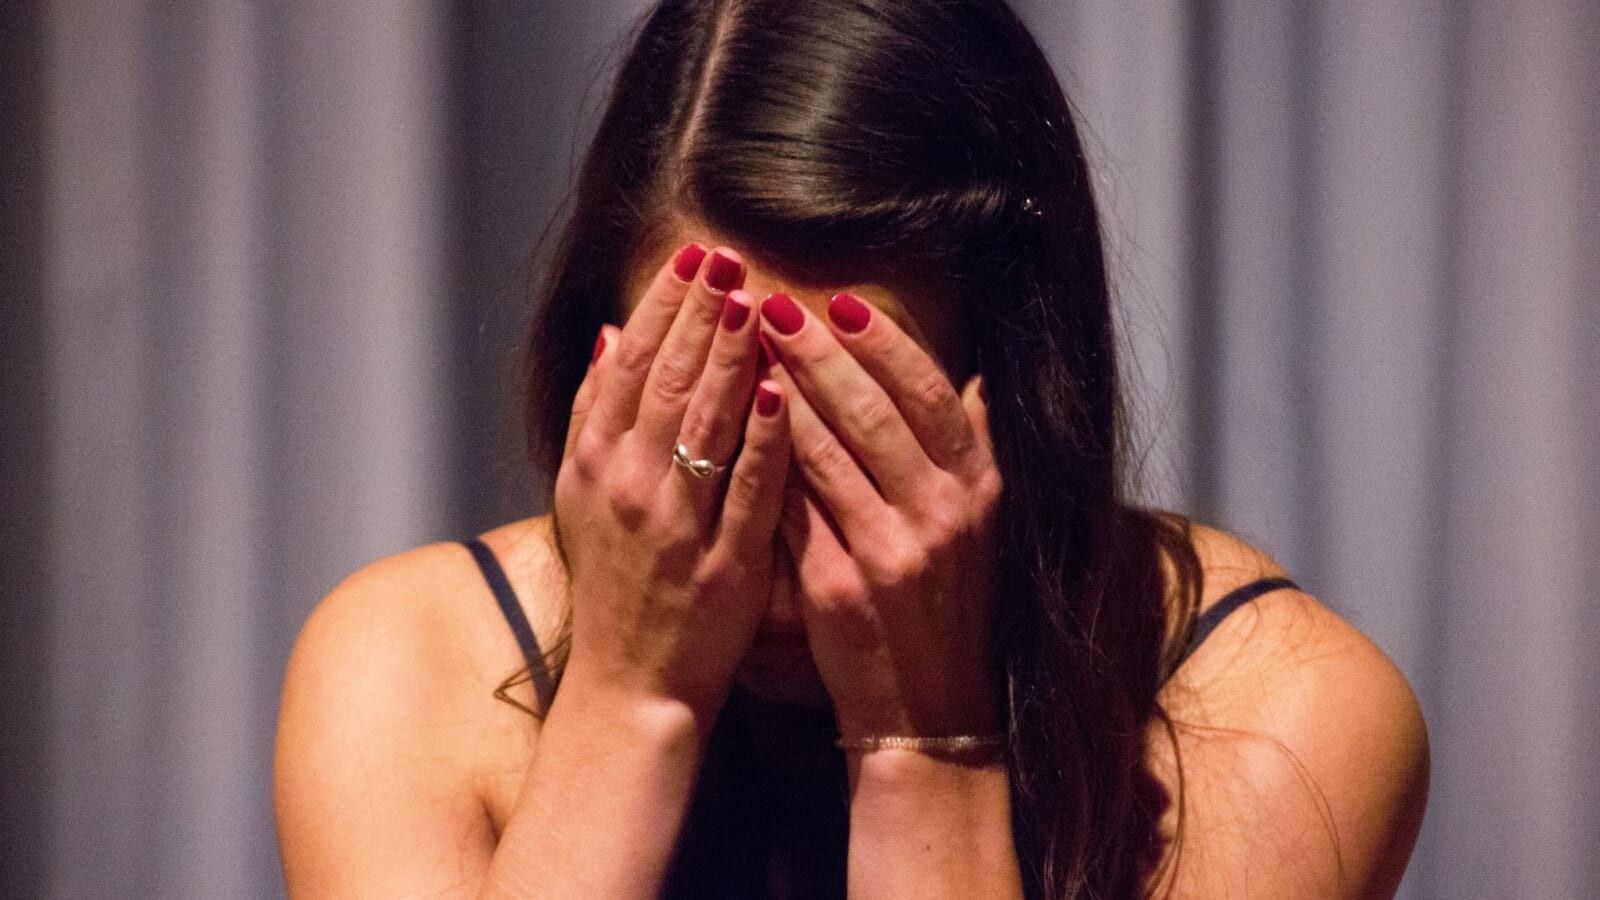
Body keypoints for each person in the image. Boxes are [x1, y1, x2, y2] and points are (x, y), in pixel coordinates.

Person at [272, 0, 1429, 896]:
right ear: (602, 372)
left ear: (1018, 399)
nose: (768, 525)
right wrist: (629, 702)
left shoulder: (1280, 711)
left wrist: (927, 746)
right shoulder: (405, 665)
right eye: (711, 425)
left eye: (852, 440)